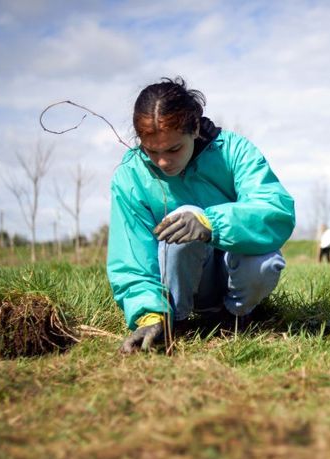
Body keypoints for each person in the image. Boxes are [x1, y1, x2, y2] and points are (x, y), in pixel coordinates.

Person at [107, 77, 295, 354]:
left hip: (234, 273)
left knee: (265, 262)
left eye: (174, 149)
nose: (162, 161)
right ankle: (174, 321)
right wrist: (148, 315)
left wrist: (210, 224)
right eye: (152, 151)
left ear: (194, 128)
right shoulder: (130, 176)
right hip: (178, 290)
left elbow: (275, 209)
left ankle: (235, 317)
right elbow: (131, 257)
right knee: (184, 215)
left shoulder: (233, 151)